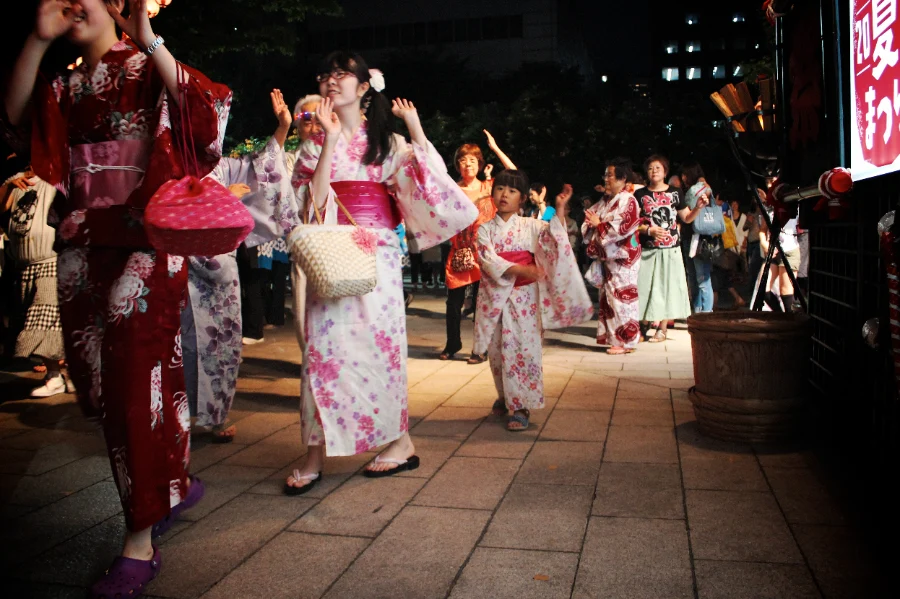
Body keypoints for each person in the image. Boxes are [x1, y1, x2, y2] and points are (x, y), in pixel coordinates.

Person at [2, 1, 231, 595]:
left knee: (134, 384)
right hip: (83, 240)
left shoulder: (147, 63)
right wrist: (37, 40)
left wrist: (147, 36)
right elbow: (17, 122)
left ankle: (139, 541)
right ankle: (174, 482)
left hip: (146, 241)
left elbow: (206, 111)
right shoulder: (65, 83)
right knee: (106, 384)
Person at [265, 51, 478, 491]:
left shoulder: (388, 143)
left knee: (380, 352)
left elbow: (433, 182)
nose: (331, 80)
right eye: (325, 74)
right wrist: (327, 141)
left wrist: (415, 128)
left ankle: (400, 442)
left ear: (364, 87)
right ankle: (315, 453)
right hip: (330, 254)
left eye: (341, 74)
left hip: (376, 254)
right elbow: (314, 207)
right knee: (321, 354)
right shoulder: (314, 142)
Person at [473, 173, 591, 430]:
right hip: (495, 298)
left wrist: (560, 208)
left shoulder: (532, 226)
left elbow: (555, 240)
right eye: (500, 188)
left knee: (523, 348)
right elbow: (487, 259)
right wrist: (521, 269)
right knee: (497, 351)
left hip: (525, 298)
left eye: (512, 191)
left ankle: (521, 405)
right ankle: (505, 395)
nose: (504, 194)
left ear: (523, 198)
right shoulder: (484, 229)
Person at [440, 131, 516, 361]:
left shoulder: (489, 188)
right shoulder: (451, 189)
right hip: (459, 252)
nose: (468, 164)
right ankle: (452, 344)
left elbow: (513, 172)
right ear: (458, 165)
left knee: (481, 303)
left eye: (472, 160)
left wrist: (495, 148)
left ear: (480, 164)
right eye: (463, 160)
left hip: (484, 253)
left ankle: (480, 349)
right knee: (453, 303)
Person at [0, 166, 71, 396]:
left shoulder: (56, 179)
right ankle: (62, 376)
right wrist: (8, 185)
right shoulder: (17, 183)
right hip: (26, 263)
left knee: (45, 321)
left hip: (50, 259)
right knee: (41, 321)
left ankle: (55, 377)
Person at [633, 155, 701, 343]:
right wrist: (648, 230)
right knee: (643, 286)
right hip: (647, 248)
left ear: (665, 171)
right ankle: (642, 325)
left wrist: (698, 208)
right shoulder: (640, 195)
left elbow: (686, 218)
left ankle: (661, 329)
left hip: (671, 248)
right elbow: (633, 222)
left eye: (658, 168)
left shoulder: (675, 192)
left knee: (666, 288)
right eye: (650, 168)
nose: (654, 171)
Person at [583, 159, 643, 354]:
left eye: (609, 175)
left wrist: (598, 224)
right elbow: (590, 215)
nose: (606, 179)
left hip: (624, 258)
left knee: (623, 299)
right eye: (606, 175)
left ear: (622, 178)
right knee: (610, 299)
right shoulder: (607, 200)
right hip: (610, 257)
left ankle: (627, 342)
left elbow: (622, 228)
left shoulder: (628, 200)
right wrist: (593, 223)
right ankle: (616, 339)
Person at [681, 162, 718, 313]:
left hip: (697, 238)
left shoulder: (698, 188)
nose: (683, 177)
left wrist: (701, 181)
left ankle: (705, 312)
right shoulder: (703, 187)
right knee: (697, 277)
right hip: (694, 237)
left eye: (684, 174)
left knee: (701, 278)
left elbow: (689, 209)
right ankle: (698, 311)